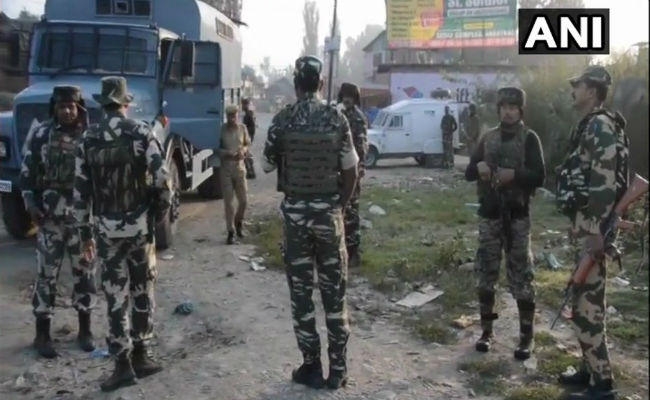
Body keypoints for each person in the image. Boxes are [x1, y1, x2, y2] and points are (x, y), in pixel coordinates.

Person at [262, 55, 358, 390]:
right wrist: (338, 207)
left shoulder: (283, 119)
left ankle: (311, 367)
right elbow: (351, 171)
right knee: (335, 293)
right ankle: (339, 370)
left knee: (302, 296)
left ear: (295, 84)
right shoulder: (337, 118)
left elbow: (266, 165)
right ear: (321, 83)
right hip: (328, 216)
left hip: (296, 221)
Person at [74, 76, 171, 392]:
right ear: (125, 103)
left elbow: (80, 192)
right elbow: (162, 178)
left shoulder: (88, 139)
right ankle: (142, 354)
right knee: (143, 289)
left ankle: (122, 365)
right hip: (139, 228)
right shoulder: (140, 132)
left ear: (103, 104)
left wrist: (85, 233)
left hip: (106, 230)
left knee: (115, 295)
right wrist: (156, 214)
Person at [556, 66, 628, 400]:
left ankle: (602, 384)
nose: (573, 89)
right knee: (582, 300)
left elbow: (604, 180)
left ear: (593, 90)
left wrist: (596, 230)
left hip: (593, 229)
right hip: (587, 227)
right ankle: (588, 368)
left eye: (579, 84)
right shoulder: (592, 124)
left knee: (589, 306)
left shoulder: (599, 125)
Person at [464, 87, 545, 361]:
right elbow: (468, 172)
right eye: (504, 107)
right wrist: (478, 168)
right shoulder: (488, 137)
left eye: (513, 107)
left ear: (521, 110)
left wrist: (515, 175)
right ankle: (487, 332)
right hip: (490, 216)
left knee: (522, 277)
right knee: (486, 275)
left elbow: (540, 176)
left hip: (517, 217)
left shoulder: (529, 138)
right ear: (498, 109)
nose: (508, 112)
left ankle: (526, 337)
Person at [20, 86, 96, 359]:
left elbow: (98, 178)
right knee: (46, 276)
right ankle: (42, 334)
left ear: (79, 108)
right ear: (54, 108)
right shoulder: (41, 134)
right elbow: (27, 174)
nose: (66, 111)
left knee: (84, 274)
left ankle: (85, 330)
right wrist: (31, 204)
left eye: (71, 106)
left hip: (81, 221)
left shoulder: (89, 137)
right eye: (62, 106)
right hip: (49, 219)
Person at [337, 82, 368, 268]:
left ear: (355, 98)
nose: (347, 99)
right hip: (340, 170)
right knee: (340, 210)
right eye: (344, 96)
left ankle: (354, 252)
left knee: (352, 211)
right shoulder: (339, 114)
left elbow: (361, 146)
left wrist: (360, 167)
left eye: (350, 96)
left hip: (353, 169)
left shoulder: (357, 117)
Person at [219, 104, 250, 244]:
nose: (232, 118)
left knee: (243, 201)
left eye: (234, 115)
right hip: (226, 168)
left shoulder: (242, 128)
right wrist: (227, 153)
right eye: (230, 116)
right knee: (229, 203)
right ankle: (230, 231)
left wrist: (243, 151)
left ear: (237, 115)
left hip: (239, 168)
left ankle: (238, 222)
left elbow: (247, 144)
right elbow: (216, 148)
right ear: (227, 116)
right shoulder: (222, 130)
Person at [241, 98, 257, 179]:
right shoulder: (249, 113)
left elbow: (250, 127)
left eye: (243, 104)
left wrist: (247, 137)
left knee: (246, 154)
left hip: (248, 136)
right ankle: (251, 172)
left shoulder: (248, 114)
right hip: (249, 136)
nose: (242, 106)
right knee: (246, 154)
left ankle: (251, 172)